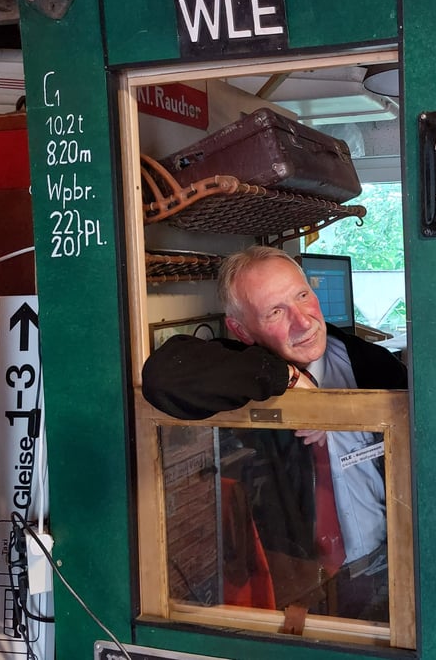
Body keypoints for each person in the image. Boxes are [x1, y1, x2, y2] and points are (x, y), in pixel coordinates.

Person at [142, 245, 407, 621]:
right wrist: (287, 378)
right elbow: (164, 378)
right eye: (275, 312)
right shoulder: (240, 369)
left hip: (385, 561)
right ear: (242, 330)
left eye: (302, 296)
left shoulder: (371, 364)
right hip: (299, 586)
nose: (303, 322)